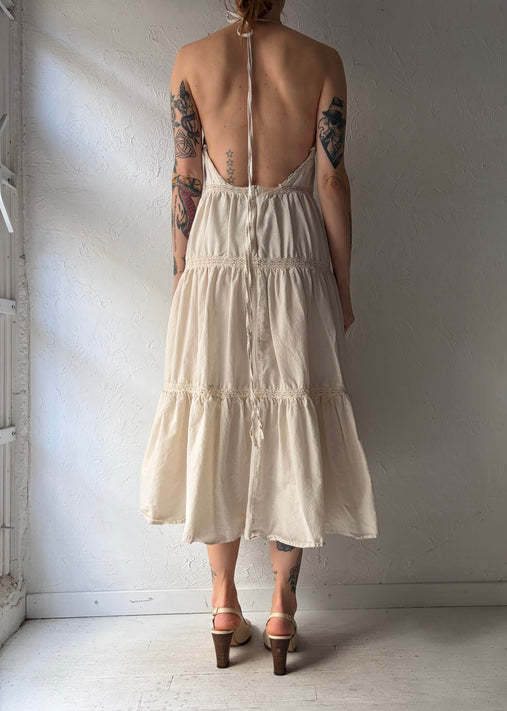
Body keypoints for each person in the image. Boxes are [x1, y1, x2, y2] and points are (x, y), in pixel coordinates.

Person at [139, 0, 379, 674]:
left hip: (212, 253)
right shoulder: (321, 61)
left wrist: (182, 275)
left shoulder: (191, 61)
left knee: (213, 414)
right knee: (290, 416)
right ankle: (282, 606)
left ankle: (222, 603)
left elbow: (187, 176)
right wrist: (343, 285)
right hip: (293, 252)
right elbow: (330, 181)